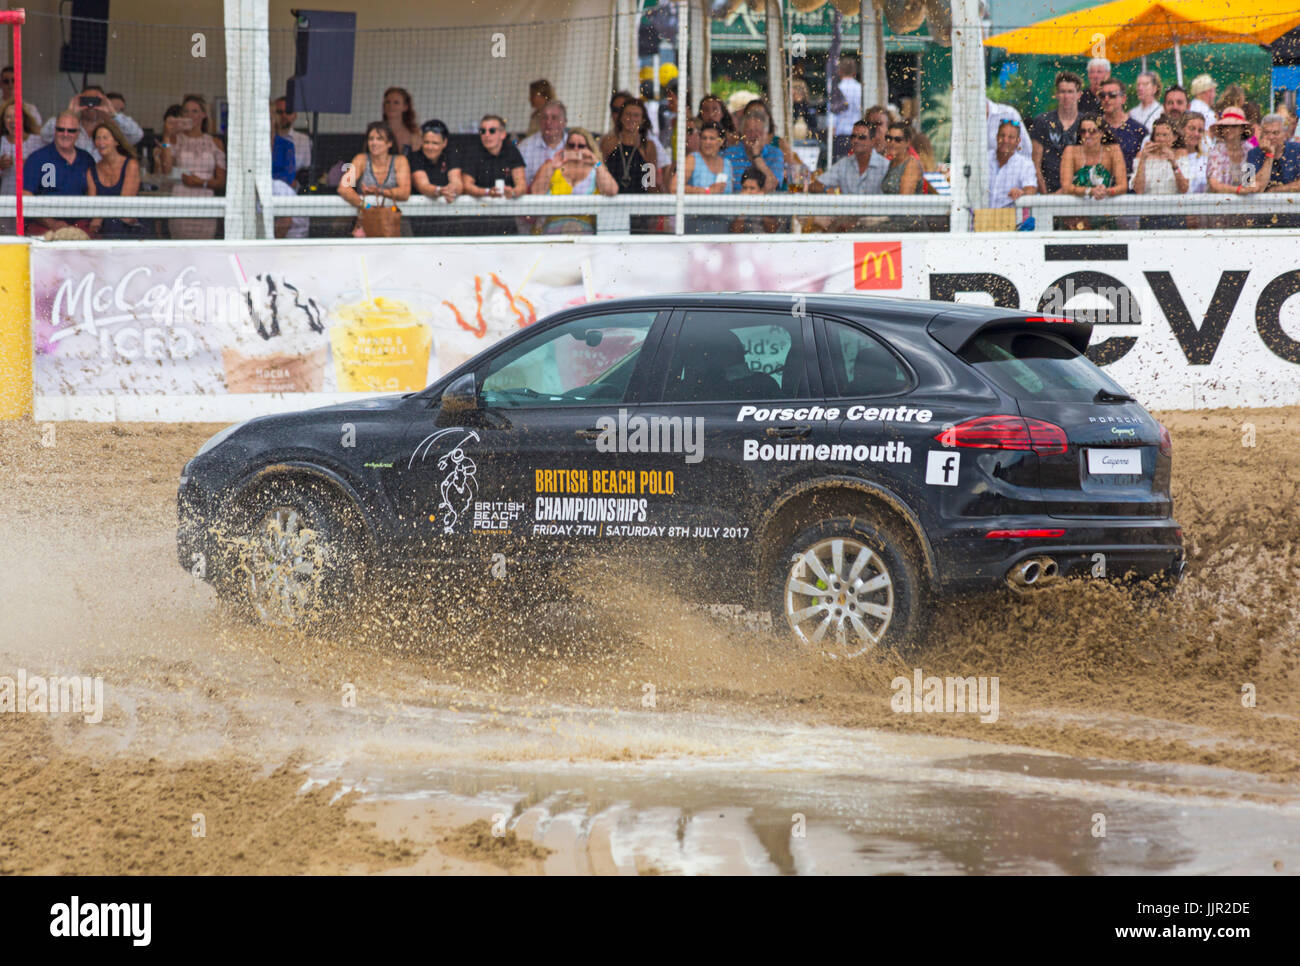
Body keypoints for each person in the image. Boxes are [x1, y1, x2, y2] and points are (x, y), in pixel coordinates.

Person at [156, 94, 225, 240]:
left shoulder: (215, 142)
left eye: (195, 111)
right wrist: (167, 136)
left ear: (203, 114)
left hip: (206, 202)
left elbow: (221, 181)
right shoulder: (176, 139)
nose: (190, 115)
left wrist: (201, 182)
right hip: (180, 200)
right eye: (186, 112)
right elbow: (166, 168)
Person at [529, 127, 617, 234]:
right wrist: (552, 165)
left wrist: (596, 163)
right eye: (571, 145)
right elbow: (536, 193)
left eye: (581, 146)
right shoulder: (552, 166)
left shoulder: (596, 169)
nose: (576, 149)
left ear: (589, 148)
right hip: (552, 229)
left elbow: (612, 190)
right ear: (566, 147)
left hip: (585, 230)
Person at [21, 111, 94, 236]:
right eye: (61, 129)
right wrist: (51, 223)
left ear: (78, 133)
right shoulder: (37, 158)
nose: (65, 134)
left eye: (71, 130)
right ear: (54, 131)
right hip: (43, 227)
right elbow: (26, 195)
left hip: (79, 226)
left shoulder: (86, 159)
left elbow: (93, 194)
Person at [338, 121, 412, 235]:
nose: (374, 143)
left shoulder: (400, 161)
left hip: (393, 220)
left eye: (379, 139)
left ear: (390, 143)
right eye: (371, 139)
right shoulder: (361, 159)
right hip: (366, 220)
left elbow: (404, 193)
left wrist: (380, 191)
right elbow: (343, 188)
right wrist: (365, 205)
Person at [1058, 114, 1126, 230]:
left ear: (1101, 133)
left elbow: (1123, 186)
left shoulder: (1113, 150)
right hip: (1075, 215)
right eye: (1083, 131)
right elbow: (1066, 187)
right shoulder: (1070, 151)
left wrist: (1106, 191)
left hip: (1103, 214)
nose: (1087, 135)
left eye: (1092, 131)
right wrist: (1090, 191)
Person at [41, 85, 142, 159]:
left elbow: (136, 135)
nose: (90, 105)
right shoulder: (70, 128)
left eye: (96, 101)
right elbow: (45, 134)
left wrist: (113, 113)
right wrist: (70, 112)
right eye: (86, 100)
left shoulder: (111, 130)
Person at [669, 121, 732, 234]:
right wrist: (706, 191)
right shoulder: (692, 159)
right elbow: (674, 188)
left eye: (712, 138)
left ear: (721, 141)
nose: (707, 142)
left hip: (722, 223)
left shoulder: (727, 164)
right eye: (704, 138)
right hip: (695, 222)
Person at [85, 120, 142, 238]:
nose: (101, 142)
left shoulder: (131, 165)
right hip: (105, 226)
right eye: (98, 138)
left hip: (127, 227)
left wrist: (100, 216)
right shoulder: (92, 171)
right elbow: (93, 209)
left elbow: (124, 207)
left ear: (116, 141)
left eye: (105, 138)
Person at [1031, 71, 1083, 194]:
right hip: (1047, 192)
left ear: (1079, 95)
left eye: (1070, 92)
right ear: (1056, 94)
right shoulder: (1042, 121)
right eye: (1062, 91)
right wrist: (1047, 198)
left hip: (1078, 193)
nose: (1066, 96)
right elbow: (1035, 165)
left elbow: (1092, 162)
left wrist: (1071, 190)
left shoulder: (1086, 123)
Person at [1131, 117, 1187, 229]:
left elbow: (1184, 188)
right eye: (1158, 135)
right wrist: (1143, 160)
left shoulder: (1181, 154)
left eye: (1165, 135)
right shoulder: (1142, 155)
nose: (1161, 139)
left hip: (1174, 214)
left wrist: (1173, 163)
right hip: (1149, 214)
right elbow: (1138, 190)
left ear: (1174, 137)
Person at [722, 100, 783, 193]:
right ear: (742, 133)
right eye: (749, 131)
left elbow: (772, 187)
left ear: (766, 135)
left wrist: (757, 156)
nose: (753, 135)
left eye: (758, 131)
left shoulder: (775, 154)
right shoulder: (729, 154)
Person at [603, 98, 661, 194]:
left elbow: (651, 181)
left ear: (642, 120)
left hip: (639, 201)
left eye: (636, 115)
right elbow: (599, 167)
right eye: (628, 114)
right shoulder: (609, 142)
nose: (631, 119)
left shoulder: (648, 146)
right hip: (612, 199)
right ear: (621, 117)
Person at [821, 118, 888, 194]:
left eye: (862, 137)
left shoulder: (885, 166)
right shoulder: (843, 164)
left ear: (873, 141)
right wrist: (826, 190)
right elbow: (818, 184)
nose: (856, 140)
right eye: (853, 136)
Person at [1098, 78, 1146, 177]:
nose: (1106, 99)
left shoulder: (1138, 130)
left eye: (1112, 95)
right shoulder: (1093, 127)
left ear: (1123, 99)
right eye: (1102, 96)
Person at [988, 119, 1037, 209]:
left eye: (1011, 137)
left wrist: (1022, 192)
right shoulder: (984, 158)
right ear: (996, 137)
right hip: (981, 217)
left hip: (1010, 219)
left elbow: (1031, 188)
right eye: (1002, 135)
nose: (1005, 140)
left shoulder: (1025, 164)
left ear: (1018, 141)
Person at [1, 98, 43, 201]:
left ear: (24, 119)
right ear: (3, 121)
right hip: (6, 201)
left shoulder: (38, 142)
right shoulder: (1, 142)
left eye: (16, 116)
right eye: (8, 117)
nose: (13, 121)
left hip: (32, 201)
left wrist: (30, 165)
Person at [518, 99, 567, 186]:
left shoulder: (575, 145)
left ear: (564, 122)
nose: (548, 122)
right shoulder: (525, 147)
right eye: (545, 117)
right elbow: (520, 184)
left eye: (554, 118)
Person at [1249, 113, 1300, 193]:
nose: (1271, 137)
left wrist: (1276, 190)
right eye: (1266, 133)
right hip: (1261, 204)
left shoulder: (1297, 150)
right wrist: (1269, 155)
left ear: (1284, 134)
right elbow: (1252, 187)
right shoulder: (1253, 153)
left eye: (1275, 133)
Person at [829, 54, 862, 162]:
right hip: (859, 136)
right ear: (855, 73)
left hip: (841, 137)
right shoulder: (861, 89)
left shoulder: (836, 90)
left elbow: (832, 116)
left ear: (840, 71)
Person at [272, 97, 311, 185]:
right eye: (279, 112)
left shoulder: (303, 140)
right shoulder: (265, 138)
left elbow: (306, 169)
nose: (284, 116)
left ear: (295, 115)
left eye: (288, 112)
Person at [880, 122, 922, 195]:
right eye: (889, 138)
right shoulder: (892, 163)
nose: (892, 143)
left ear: (907, 142)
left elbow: (905, 200)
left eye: (897, 139)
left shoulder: (911, 165)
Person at [1175, 113, 1209, 197]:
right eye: (1192, 129)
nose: (1196, 134)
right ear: (1181, 130)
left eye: (1200, 130)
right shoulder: (1171, 157)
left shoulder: (1206, 160)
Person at [381, 87, 420, 155]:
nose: (391, 106)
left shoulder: (414, 134)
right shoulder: (376, 131)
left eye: (396, 103)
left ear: (405, 107)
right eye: (388, 102)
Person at [598, 90, 635, 157]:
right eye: (616, 110)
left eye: (623, 110)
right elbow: (598, 163)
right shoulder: (605, 140)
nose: (619, 114)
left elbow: (656, 167)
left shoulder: (647, 141)